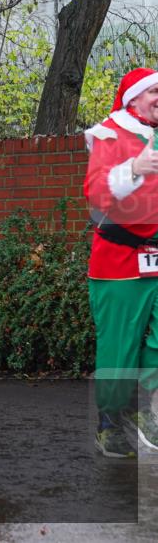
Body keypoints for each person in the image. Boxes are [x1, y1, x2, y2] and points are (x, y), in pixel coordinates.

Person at [84, 67, 158, 457]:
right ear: (134, 98)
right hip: (120, 261)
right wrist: (133, 169)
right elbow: (96, 192)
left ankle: (147, 411)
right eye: (155, 91)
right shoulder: (110, 134)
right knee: (119, 346)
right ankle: (110, 420)